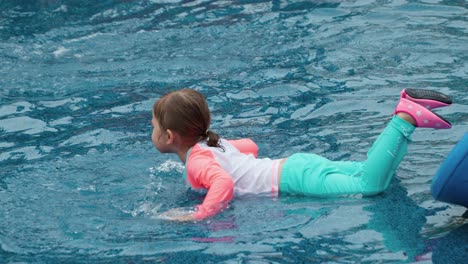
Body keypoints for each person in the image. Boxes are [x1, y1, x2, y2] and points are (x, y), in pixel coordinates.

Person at [151, 88, 452, 221]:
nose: (150, 131)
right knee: (365, 171)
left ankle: (405, 117)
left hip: (295, 179)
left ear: (168, 136)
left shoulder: (197, 160)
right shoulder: (212, 142)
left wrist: (199, 215)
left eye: (152, 126)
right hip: (295, 164)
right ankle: (414, 112)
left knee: (368, 186)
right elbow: (251, 148)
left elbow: (224, 185)